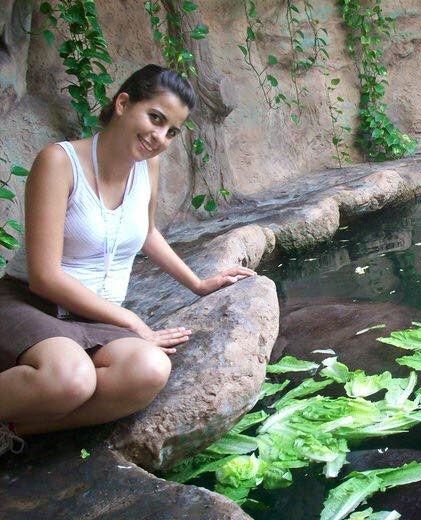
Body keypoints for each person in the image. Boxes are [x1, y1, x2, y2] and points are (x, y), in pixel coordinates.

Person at [0, 64, 255, 455]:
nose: (160, 138)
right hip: (32, 303)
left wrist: (198, 284)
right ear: (122, 104)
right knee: (71, 378)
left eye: (172, 131)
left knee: (150, 370)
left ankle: (15, 429)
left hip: (94, 318)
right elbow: (44, 276)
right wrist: (133, 322)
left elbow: (147, 233)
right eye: (155, 118)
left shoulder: (148, 167)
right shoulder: (59, 162)